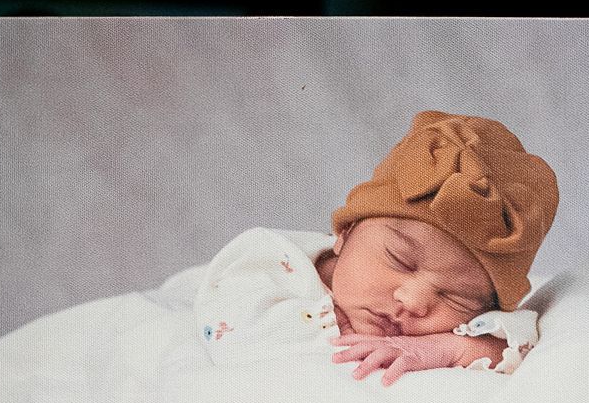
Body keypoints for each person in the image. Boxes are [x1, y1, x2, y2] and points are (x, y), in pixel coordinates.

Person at [194, 111, 559, 386]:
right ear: (346, 233)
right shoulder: (266, 266)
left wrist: (444, 348)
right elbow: (241, 352)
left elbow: (515, 348)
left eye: (456, 298)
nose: (415, 302)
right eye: (401, 260)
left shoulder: (470, 325)